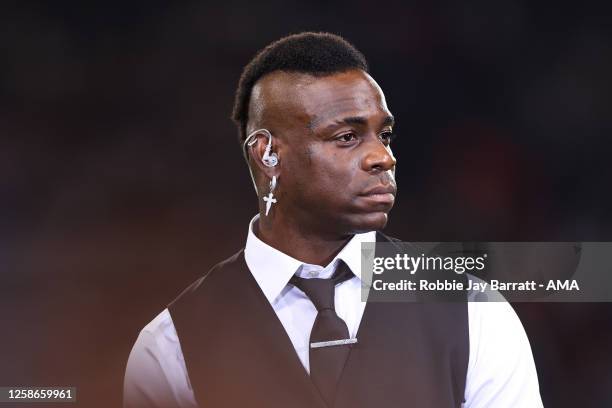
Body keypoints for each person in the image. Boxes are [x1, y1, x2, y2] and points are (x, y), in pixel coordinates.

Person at [124, 32, 543, 408]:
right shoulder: (172, 345)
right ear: (268, 155)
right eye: (347, 137)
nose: (383, 156)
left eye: (385, 134)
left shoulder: (473, 312)